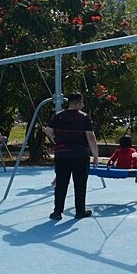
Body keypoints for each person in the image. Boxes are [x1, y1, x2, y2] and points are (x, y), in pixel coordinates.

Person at [45, 92, 99, 220]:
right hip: (80, 154)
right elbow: (90, 137)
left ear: (69, 102)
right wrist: (95, 155)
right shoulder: (84, 117)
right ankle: (80, 210)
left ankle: (57, 211)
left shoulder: (58, 116)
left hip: (62, 154)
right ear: (79, 103)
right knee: (80, 183)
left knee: (61, 183)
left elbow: (50, 132)